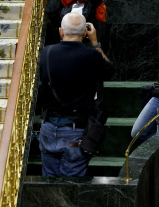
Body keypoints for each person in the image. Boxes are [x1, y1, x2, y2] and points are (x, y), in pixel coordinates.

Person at [39, 12, 113, 176]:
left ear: (61, 31)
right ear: (85, 32)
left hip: (48, 128)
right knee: (71, 187)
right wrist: (95, 42)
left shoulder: (47, 53)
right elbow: (109, 70)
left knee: (47, 185)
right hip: (75, 132)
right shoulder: (92, 56)